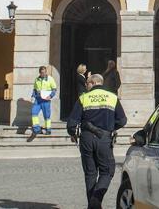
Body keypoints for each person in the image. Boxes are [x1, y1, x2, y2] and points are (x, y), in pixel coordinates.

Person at [66, 73, 127, 209]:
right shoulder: (112, 97)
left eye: (87, 83)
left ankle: (92, 205)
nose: (86, 86)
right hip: (104, 138)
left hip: (86, 138)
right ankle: (96, 200)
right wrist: (110, 127)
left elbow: (71, 123)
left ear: (93, 83)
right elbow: (123, 120)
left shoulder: (84, 98)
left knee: (90, 173)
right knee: (107, 172)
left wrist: (72, 133)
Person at [31, 65, 57, 136]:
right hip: (38, 99)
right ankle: (37, 129)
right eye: (42, 73)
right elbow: (35, 89)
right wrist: (33, 96)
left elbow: (54, 89)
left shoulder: (50, 79)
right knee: (34, 112)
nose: (43, 74)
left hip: (46, 100)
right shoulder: (37, 79)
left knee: (46, 116)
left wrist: (51, 96)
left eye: (45, 72)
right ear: (40, 73)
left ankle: (48, 129)